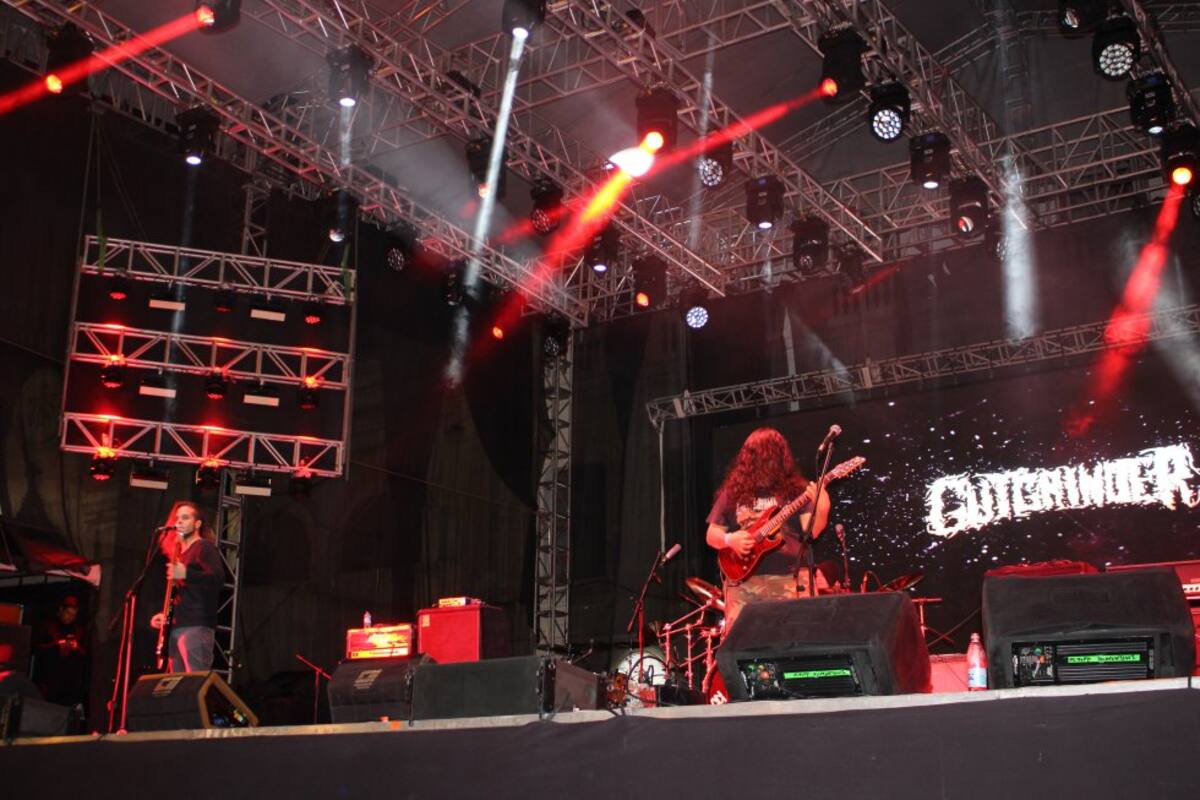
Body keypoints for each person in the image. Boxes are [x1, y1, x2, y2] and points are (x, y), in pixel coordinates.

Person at [705, 427, 831, 629]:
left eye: (771, 456)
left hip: (788, 581)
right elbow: (712, 535)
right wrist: (731, 540)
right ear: (748, 459)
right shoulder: (733, 491)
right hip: (743, 584)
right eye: (760, 457)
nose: (766, 463)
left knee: (791, 639)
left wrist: (822, 506)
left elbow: (812, 532)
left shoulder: (798, 489)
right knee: (740, 643)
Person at [150, 501, 223, 673]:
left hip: (196, 626)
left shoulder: (204, 547)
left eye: (185, 517)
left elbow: (218, 579)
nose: (179, 522)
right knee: (176, 687)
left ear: (197, 524)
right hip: (176, 626)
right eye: (177, 518)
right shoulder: (179, 554)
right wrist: (166, 615)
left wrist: (186, 574)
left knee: (194, 683)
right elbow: (182, 594)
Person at [31, 595, 89, 706]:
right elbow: (36, 650)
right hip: (48, 682)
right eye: (68, 613)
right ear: (61, 610)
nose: (70, 617)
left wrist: (76, 648)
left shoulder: (79, 631)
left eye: (73, 615)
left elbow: (86, 656)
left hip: (69, 684)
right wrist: (57, 645)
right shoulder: (48, 626)